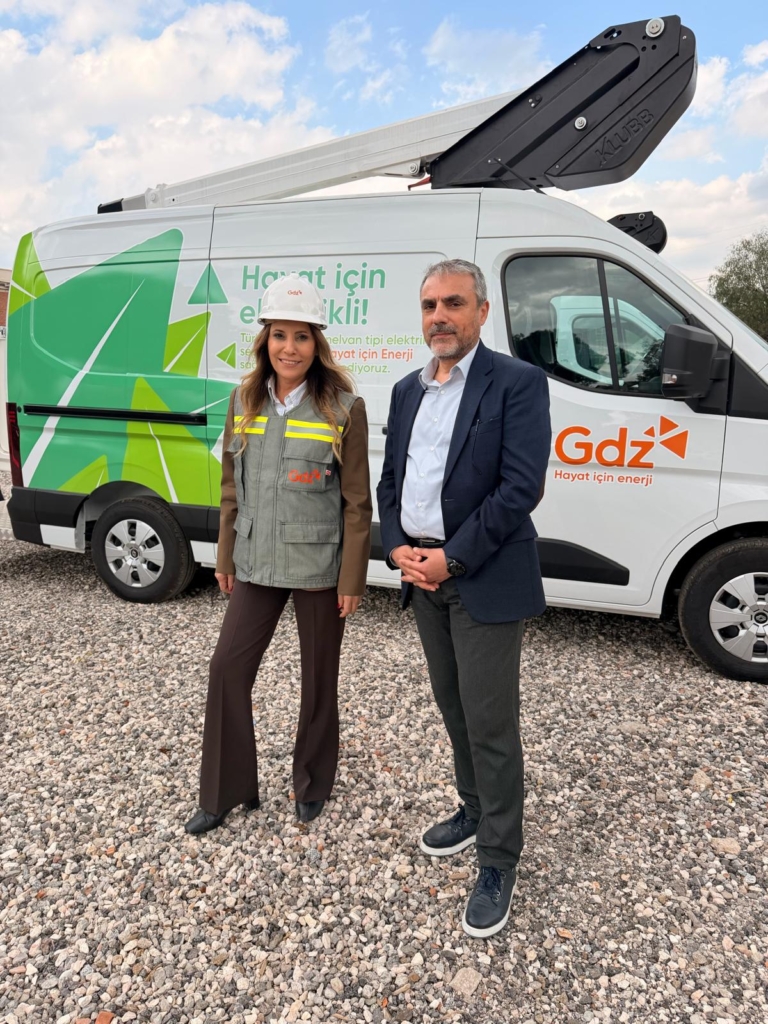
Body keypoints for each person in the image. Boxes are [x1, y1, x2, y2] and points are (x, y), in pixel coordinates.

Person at [377, 259, 551, 938]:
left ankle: (499, 858)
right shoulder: (406, 390)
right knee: (453, 707)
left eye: (453, 303)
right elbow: (392, 480)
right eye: (429, 306)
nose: (439, 317)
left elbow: (519, 487)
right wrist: (397, 547)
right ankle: (475, 808)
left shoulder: (517, 383)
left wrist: (451, 557)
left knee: (490, 722)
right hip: (421, 577)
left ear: (482, 311)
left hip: (480, 574)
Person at [185, 273, 372, 834]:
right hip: (255, 561)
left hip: (319, 568)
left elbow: (357, 503)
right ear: (265, 339)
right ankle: (226, 791)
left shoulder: (343, 408)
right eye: (280, 335)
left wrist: (352, 579)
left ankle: (312, 783)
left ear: (317, 343)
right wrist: (224, 557)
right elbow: (230, 488)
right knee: (226, 669)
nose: (290, 348)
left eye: (302, 336)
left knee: (318, 680)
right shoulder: (242, 401)